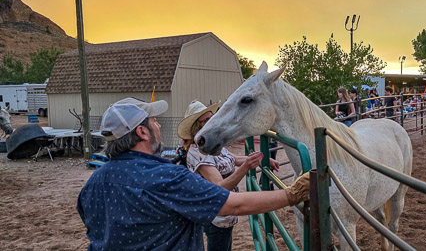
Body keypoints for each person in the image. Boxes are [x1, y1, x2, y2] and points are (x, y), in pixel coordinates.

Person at [77, 97, 310, 250]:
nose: (158, 126)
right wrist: (291, 194)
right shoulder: (166, 177)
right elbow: (232, 204)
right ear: (142, 132)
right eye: (154, 121)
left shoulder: (93, 183)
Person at [176, 100, 280, 251]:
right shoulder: (197, 153)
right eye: (205, 120)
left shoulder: (211, 145)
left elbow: (235, 159)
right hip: (216, 214)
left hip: (225, 211)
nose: (210, 122)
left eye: (211, 118)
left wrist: (262, 158)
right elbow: (219, 186)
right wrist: (246, 167)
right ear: (195, 127)